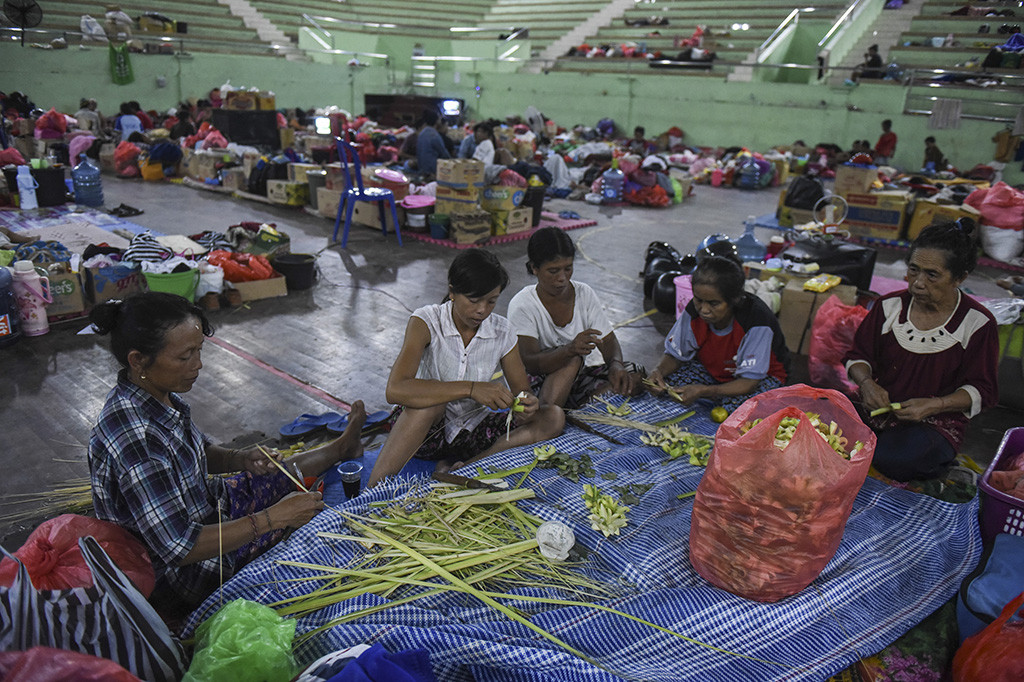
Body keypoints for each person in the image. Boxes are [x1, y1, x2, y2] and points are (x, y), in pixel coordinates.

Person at [88, 292, 367, 615]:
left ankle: (340, 447)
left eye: (199, 351)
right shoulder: (134, 437)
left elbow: (196, 452)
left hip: (207, 508)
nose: (198, 365)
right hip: (179, 575)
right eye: (185, 357)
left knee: (279, 474)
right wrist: (273, 519)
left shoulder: (157, 396)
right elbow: (180, 546)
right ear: (138, 360)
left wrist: (238, 459)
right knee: (314, 540)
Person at [368, 249, 564, 487]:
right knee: (431, 401)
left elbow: (523, 391)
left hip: (474, 432)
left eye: (491, 301)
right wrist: (471, 388)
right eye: (474, 300)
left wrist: (526, 404)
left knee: (553, 416)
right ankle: (372, 491)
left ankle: (468, 468)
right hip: (426, 433)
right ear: (452, 292)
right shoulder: (426, 321)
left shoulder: (503, 332)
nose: (482, 310)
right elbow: (395, 390)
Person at [845, 220, 999, 482]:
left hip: (934, 421)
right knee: (820, 413)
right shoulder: (889, 306)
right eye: (913, 270)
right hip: (876, 410)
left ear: (960, 277)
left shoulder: (977, 323)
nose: (917, 283)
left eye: (932, 275)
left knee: (893, 458)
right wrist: (868, 384)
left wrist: (934, 405)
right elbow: (858, 356)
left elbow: (981, 389)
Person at [508, 227, 642, 408]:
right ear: (534, 269)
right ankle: (547, 415)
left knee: (633, 375)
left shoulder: (584, 293)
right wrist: (569, 350)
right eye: (553, 271)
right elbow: (530, 363)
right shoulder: (523, 304)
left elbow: (608, 340)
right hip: (535, 389)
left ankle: (572, 412)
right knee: (573, 359)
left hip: (575, 379)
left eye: (568, 268)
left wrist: (615, 364)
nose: (562, 278)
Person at [646, 255, 790, 412]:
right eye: (699, 300)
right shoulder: (694, 312)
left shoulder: (756, 320)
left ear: (734, 300)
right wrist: (657, 372)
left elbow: (750, 381)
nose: (704, 310)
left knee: (739, 410)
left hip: (759, 377)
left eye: (714, 303)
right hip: (713, 372)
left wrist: (707, 390)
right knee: (669, 386)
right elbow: (675, 354)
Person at [414, 108, 450, 177]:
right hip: (431, 171)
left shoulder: (422, 133)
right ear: (436, 121)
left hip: (421, 169)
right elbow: (444, 154)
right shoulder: (434, 135)